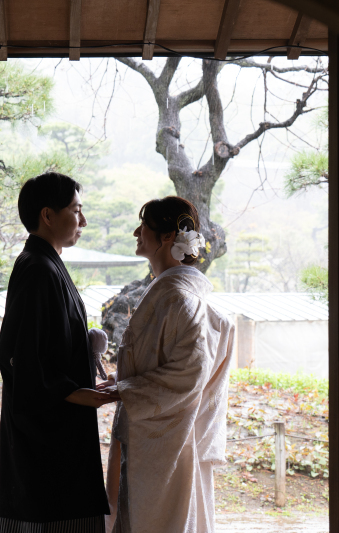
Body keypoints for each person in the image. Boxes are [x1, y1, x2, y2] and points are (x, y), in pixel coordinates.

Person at [98, 197, 234, 533]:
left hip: (164, 442)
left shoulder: (179, 298)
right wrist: (123, 381)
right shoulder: (171, 294)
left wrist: (123, 389)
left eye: (143, 224)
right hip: (153, 435)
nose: (136, 231)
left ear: (168, 237)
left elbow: (189, 374)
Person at [0, 172, 118, 533]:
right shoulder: (38, 269)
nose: (83, 220)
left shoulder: (46, 264)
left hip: (58, 425)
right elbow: (22, 356)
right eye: (76, 210)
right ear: (48, 215)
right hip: (47, 435)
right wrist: (78, 394)